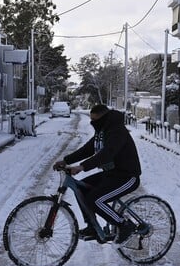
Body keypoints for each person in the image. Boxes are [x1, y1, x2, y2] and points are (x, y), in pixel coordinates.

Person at [53, 104, 141, 244]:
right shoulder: (103, 130)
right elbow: (88, 149)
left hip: (127, 177)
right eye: (91, 119)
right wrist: (66, 161)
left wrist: (82, 167)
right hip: (111, 174)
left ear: (104, 118)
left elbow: (107, 154)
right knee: (82, 188)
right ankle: (92, 227)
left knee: (95, 199)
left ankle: (124, 225)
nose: (93, 123)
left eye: (95, 120)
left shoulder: (117, 131)